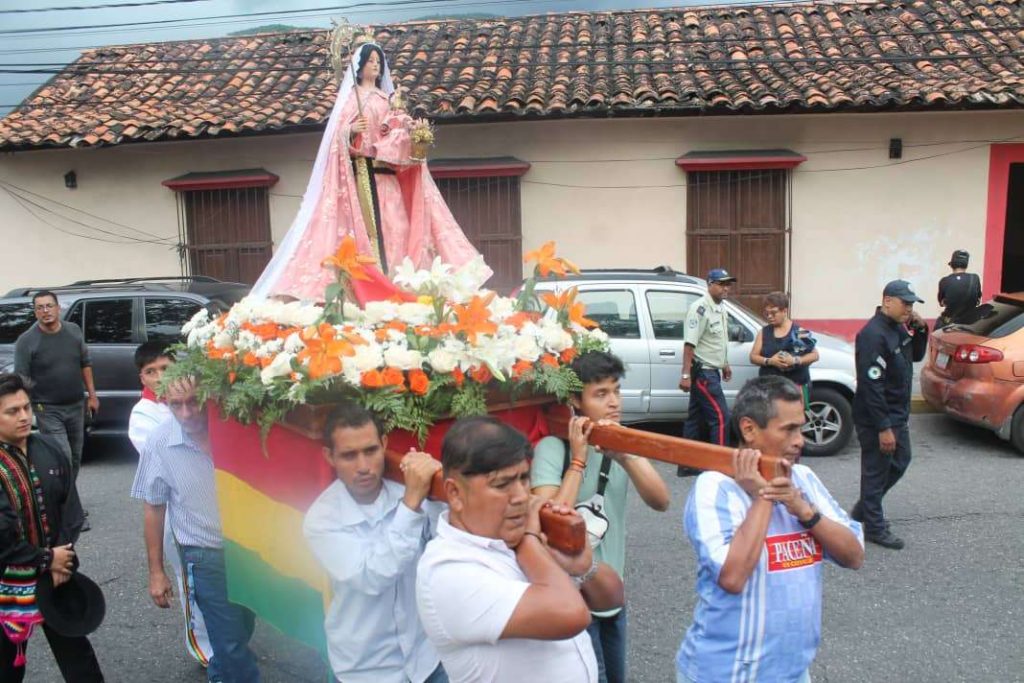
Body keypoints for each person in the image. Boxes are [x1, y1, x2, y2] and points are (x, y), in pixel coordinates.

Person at [252, 41, 490, 301]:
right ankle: (374, 288)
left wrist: (411, 132)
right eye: (371, 61)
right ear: (360, 65)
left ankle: (399, 283)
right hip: (364, 176)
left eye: (379, 61)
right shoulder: (350, 101)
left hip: (388, 178)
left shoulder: (385, 100)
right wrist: (350, 132)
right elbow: (336, 139)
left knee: (397, 227)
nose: (376, 65)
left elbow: (395, 135)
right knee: (370, 233)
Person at [676, 376, 864, 683]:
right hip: (726, 674)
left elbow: (854, 556)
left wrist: (803, 510)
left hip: (793, 673)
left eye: (800, 427)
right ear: (749, 429)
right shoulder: (714, 487)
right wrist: (764, 495)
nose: (800, 439)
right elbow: (733, 577)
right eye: (788, 429)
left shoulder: (804, 479)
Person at [416, 416, 624, 683]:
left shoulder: (521, 537)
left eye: (524, 479)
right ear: (455, 494)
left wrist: (583, 567)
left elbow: (613, 598)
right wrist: (529, 539)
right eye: (502, 484)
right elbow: (572, 613)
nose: (521, 496)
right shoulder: (446, 570)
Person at [531, 350, 670, 683]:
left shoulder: (622, 445)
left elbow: (661, 501)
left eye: (617, 391)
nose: (614, 402)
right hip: (569, 597)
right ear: (575, 401)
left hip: (610, 591)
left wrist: (626, 456)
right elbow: (548, 520)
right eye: (601, 394)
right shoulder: (553, 448)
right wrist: (578, 461)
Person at [303, 402, 447, 683]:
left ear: (384, 444)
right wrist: (412, 504)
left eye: (370, 451)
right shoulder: (322, 519)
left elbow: (449, 540)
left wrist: (441, 484)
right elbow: (372, 576)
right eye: (349, 456)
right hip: (367, 669)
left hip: (427, 658)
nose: (363, 467)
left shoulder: (411, 491)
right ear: (329, 457)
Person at [131, 377, 260, 682]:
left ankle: (220, 673)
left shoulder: (235, 428)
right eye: (176, 404)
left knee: (241, 629)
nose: (187, 413)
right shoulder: (159, 442)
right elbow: (153, 506)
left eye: (194, 402)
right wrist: (156, 572)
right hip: (204, 557)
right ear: (165, 402)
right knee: (230, 643)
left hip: (249, 554)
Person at [0, 373, 104, 681]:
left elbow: (69, 508)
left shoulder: (48, 447)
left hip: (56, 575)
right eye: (12, 411)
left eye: (26, 408)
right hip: (7, 584)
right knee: (7, 666)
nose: (23, 417)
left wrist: (62, 557)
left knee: (79, 659)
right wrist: (46, 558)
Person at [127, 342, 213, 668]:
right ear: (142, 378)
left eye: (166, 368)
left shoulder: (197, 399)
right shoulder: (145, 416)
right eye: (152, 371)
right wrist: (155, 570)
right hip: (177, 514)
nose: (160, 377)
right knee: (192, 585)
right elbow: (155, 490)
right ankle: (205, 648)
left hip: (209, 508)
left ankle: (223, 638)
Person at [851, 280, 928, 550]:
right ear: (887, 301)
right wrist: (883, 427)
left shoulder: (897, 328)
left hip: (897, 412)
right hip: (877, 416)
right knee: (876, 470)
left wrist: (920, 331)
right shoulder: (873, 335)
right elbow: (871, 385)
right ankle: (874, 526)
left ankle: (864, 509)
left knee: (901, 460)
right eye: (905, 303)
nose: (909, 308)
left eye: (911, 304)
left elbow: (915, 357)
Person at [14, 291, 98, 501]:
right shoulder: (26, 341)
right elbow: (21, 380)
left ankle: (64, 501)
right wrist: (25, 408)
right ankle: (69, 507)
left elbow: (85, 363)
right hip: (47, 408)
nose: (45, 311)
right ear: (35, 312)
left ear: (58, 308)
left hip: (76, 405)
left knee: (76, 458)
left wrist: (92, 396)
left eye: (49, 306)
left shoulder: (73, 331)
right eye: (40, 307)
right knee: (63, 457)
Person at [677, 268, 736, 476]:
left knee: (695, 418)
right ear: (709, 284)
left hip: (714, 371)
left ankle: (686, 463)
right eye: (721, 284)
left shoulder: (721, 309)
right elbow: (689, 344)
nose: (726, 288)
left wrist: (725, 364)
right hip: (704, 374)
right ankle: (721, 465)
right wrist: (685, 375)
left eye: (728, 284)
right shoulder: (700, 308)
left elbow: (718, 342)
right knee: (720, 418)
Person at [750, 291, 820, 407]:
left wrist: (794, 360)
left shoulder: (799, 331)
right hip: (770, 389)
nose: (769, 316)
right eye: (766, 313)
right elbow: (753, 357)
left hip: (795, 387)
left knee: (794, 422)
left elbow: (815, 355)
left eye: (773, 313)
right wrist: (770, 361)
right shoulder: (764, 332)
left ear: (784, 310)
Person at [935, 249, 981, 330]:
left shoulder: (944, 281)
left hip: (949, 324)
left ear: (952, 265)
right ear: (966, 264)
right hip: (970, 324)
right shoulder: (974, 278)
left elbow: (941, 303)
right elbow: (978, 298)